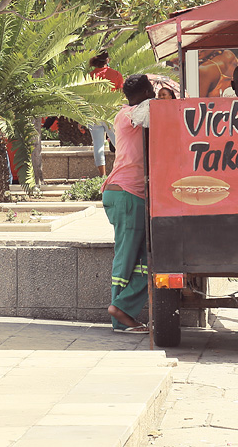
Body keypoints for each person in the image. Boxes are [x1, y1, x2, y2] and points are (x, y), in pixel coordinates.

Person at [102, 74, 155, 333]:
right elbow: (149, 112)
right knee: (126, 258)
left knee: (147, 258)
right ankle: (119, 316)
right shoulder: (130, 115)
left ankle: (122, 309)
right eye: (153, 89)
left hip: (126, 194)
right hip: (127, 194)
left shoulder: (127, 114)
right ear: (147, 91)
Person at [87, 51, 123, 175]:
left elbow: (85, 97)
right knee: (118, 143)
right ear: (107, 60)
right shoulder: (116, 75)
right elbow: (121, 95)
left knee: (98, 145)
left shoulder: (90, 76)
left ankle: (102, 175)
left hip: (94, 113)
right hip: (110, 113)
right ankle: (120, 171)